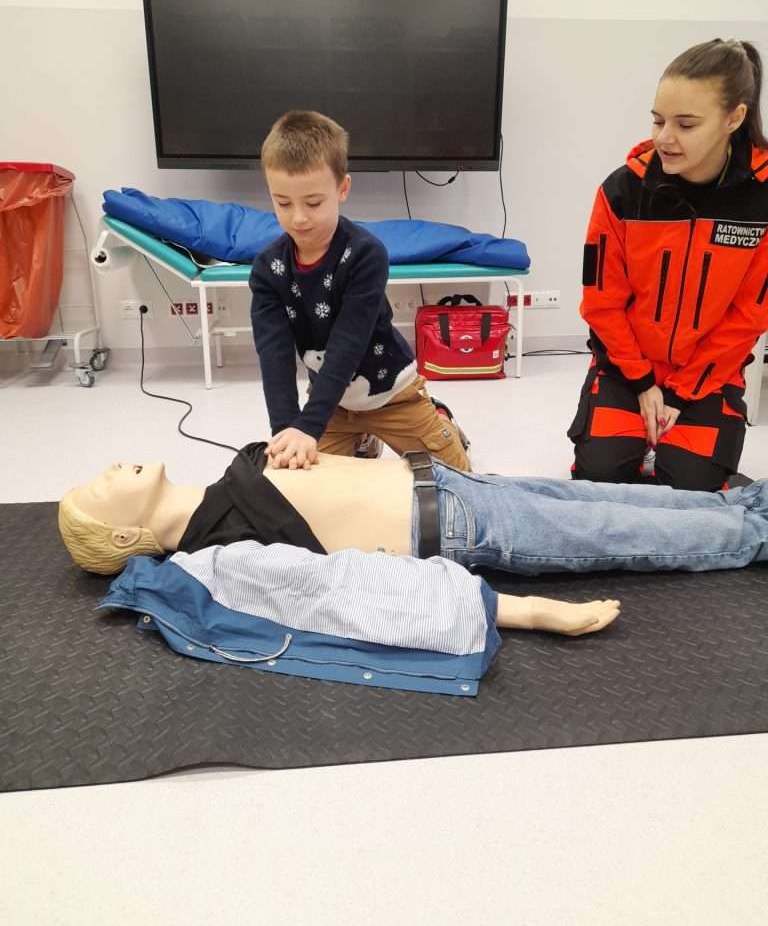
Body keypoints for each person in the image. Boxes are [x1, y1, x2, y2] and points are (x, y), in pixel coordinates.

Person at [60, 443, 768, 608]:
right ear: (123, 537)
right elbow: (340, 596)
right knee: (618, 530)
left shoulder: (221, 490)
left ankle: (744, 504)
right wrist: (520, 611)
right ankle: (756, 533)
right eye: (100, 488)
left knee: (615, 496)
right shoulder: (215, 557)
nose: (110, 468)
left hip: (444, 482)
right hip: (452, 529)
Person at [570, 39, 768, 491]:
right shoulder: (621, 192)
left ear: (734, 118)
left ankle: (670, 444)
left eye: (686, 124)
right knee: (599, 476)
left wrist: (681, 391)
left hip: (709, 374)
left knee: (692, 489)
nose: (664, 137)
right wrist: (643, 383)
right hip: (626, 369)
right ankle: (633, 435)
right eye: (658, 120)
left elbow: (750, 315)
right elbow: (602, 303)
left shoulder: (762, 200)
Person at [249, 110, 470, 472]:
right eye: (283, 202)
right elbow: (274, 354)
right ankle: (362, 439)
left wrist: (309, 426)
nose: (298, 217)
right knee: (299, 479)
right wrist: (289, 430)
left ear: (342, 189)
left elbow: (347, 345)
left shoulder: (366, 254)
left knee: (459, 480)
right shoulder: (267, 269)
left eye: (313, 202)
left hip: (394, 394)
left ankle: (440, 418)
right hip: (332, 404)